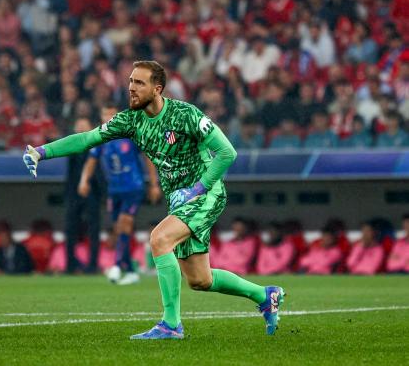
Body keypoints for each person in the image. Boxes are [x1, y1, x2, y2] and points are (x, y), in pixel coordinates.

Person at [24, 60, 284, 339]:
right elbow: (88, 139)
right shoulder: (130, 120)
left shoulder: (186, 115)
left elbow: (227, 153)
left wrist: (198, 188)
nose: (131, 88)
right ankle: (263, 294)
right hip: (178, 199)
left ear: (157, 89)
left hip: (206, 192)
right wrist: (42, 151)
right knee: (199, 279)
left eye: (139, 83)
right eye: (130, 82)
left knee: (159, 239)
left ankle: (171, 325)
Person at [77, 101, 162, 285]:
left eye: (111, 114)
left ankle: (116, 265)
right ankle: (131, 271)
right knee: (120, 229)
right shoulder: (100, 138)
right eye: (105, 114)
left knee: (125, 222)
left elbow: (148, 158)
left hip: (134, 187)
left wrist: (154, 184)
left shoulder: (130, 133)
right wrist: (84, 181)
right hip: (114, 190)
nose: (108, 118)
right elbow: (91, 161)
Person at [64, 117, 103, 273]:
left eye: (83, 125)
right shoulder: (71, 146)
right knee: (70, 229)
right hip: (74, 193)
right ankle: (70, 265)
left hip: (92, 192)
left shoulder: (96, 145)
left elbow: (99, 173)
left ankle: (92, 265)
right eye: (78, 125)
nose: (80, 128)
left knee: (94, 230)